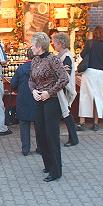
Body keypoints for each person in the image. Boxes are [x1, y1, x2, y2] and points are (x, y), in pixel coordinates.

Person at [29, 32, 69, 182]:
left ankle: (56, 170)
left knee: (51, 135)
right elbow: (31, 80)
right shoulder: (35, 60)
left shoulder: (53, 59)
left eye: (33, 45)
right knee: (40, 134)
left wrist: (49, 92)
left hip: (51, 101)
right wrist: (33, 91)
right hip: (39, 100)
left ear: (39, 46)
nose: (31, 47)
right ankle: (48, 164)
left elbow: (64, 78)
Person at [77, 26, 103, 131]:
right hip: (100, 74)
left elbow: (82, 55)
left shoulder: (90, 43)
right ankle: (96, 123)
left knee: (85, 96)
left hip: (89, 72)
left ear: (94, 34)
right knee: (98, 98)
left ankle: (82, 123)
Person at [52, 32, 79, 147]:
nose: (53, 45)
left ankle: (73, 139)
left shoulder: (66, 57)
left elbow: (65, 76)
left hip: (64, 90)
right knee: (65, 114)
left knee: (66, 114)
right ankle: (72, 138)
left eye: (55, 43)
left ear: (61, 43)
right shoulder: (62, 55)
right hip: (61, 89)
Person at [10, 48, 38, 156]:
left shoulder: (20, 69)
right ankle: (40, 148)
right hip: (37, 100)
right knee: (38, 126)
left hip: (23, 100)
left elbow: (13, 84)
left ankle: (25, 149)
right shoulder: (40, 68)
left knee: (24, 126)